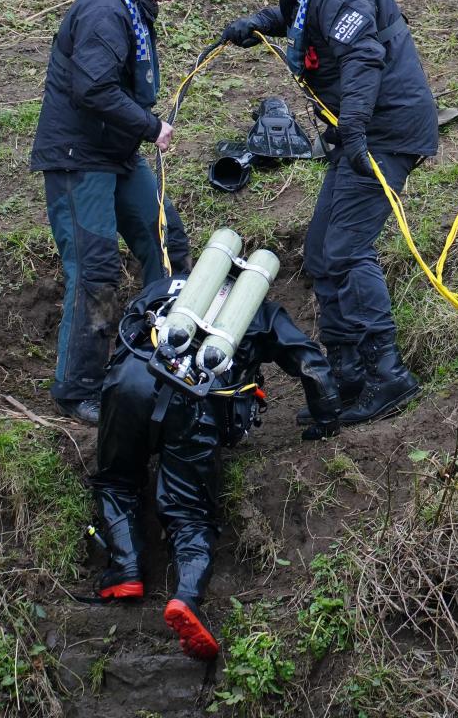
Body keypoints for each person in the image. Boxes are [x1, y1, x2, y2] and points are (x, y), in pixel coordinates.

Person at [221, 0, 439, 425]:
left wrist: (357, 131)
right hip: (362, 132)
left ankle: (387, 376)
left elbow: (364, 57)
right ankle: (347, 376)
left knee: (345, 250)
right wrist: (260, 23)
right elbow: (300, 16)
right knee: (321, 251)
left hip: (383, 133)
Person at [92, 273, 342, 660]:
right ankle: (186, 599)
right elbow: (311, 365)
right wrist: (326, 419)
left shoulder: (164, 286)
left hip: (130, 381)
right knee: (190, 515)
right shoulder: (261, 312)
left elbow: (126, 328)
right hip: (194, 398)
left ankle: (125, 570)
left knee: (117, 481)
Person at [30, 0, 194, 425]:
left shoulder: (129, 3)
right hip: (80, 159)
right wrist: (150, 126)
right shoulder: (105, 9)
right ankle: (77, 389)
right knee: (96, 269)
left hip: (116, 152)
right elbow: (94, 88)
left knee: (166, 241)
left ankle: (159, 356)